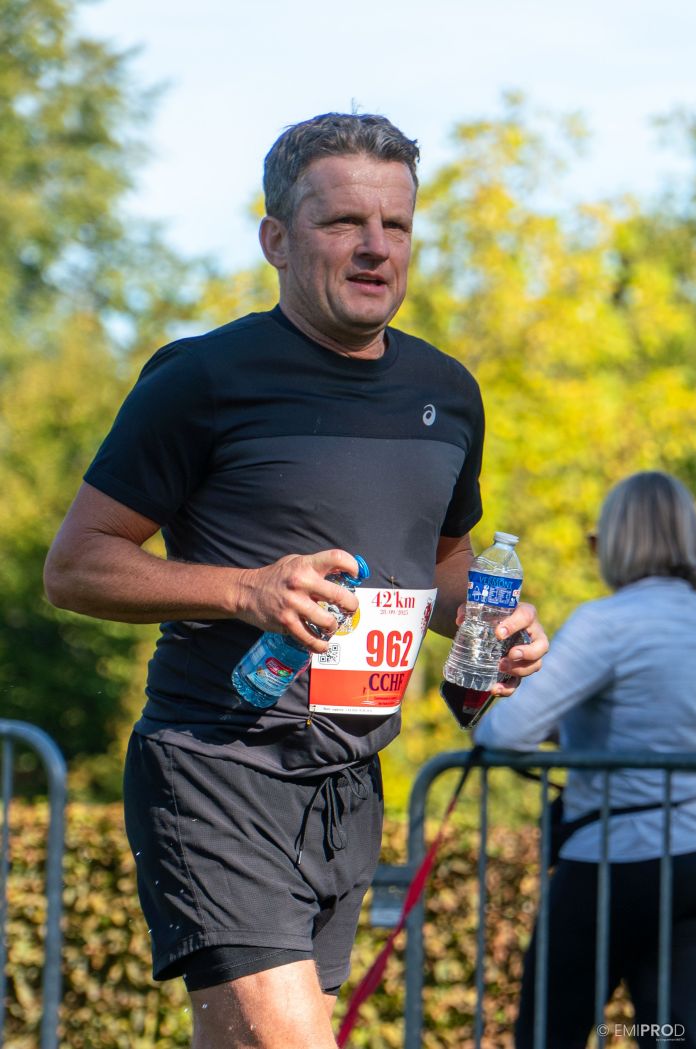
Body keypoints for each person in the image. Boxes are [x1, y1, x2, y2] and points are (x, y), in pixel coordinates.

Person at [44, 112, 548, 1049]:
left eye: (396, 225)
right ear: (276, 239)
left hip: (351, 781)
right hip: (218, 765)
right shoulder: (200, 378)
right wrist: (248, 590)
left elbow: (440, 560)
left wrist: (492, 621)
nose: (375, 247)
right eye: (343, 223)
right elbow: (76, 565)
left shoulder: (449, 391)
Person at [474, 470, 696, 1049]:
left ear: (619, 541)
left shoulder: (608, 623)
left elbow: (505, 735)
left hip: (613, 860)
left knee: (552, 1028)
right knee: (674, 1031)